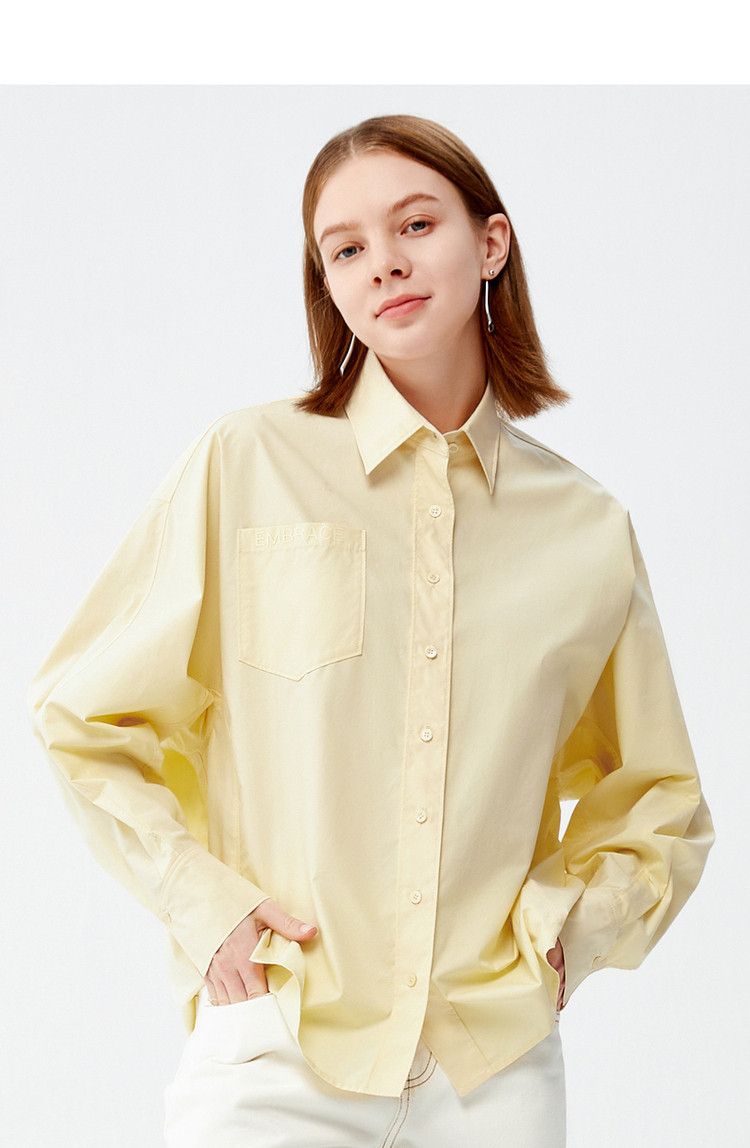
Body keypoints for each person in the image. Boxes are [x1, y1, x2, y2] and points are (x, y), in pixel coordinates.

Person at [30, 114, 714, 1146]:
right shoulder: (246, 464)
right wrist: (203, 902)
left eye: (415, 225)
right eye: (345, 248)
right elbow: (83, 714)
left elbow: (660, 798)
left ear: (491, 242)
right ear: (328, 282)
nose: (383, 262)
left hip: (491, 1072)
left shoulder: (585, 528)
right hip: (278, 1042)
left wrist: (566, 933)